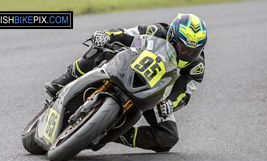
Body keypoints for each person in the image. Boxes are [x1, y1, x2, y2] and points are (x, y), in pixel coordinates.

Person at [45, 14, 207, 152]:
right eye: (182, 47)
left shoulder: (196, 66)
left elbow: (184, 92)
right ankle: (64, 80)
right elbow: (128, 35)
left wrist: (170, 104)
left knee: (168, 137)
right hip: (130, 63)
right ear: (172, 37)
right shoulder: (157, 31)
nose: (186, 53)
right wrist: (107, 36)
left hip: (156, 88)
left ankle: (111, 131)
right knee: (101, 48)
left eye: (193, 51)